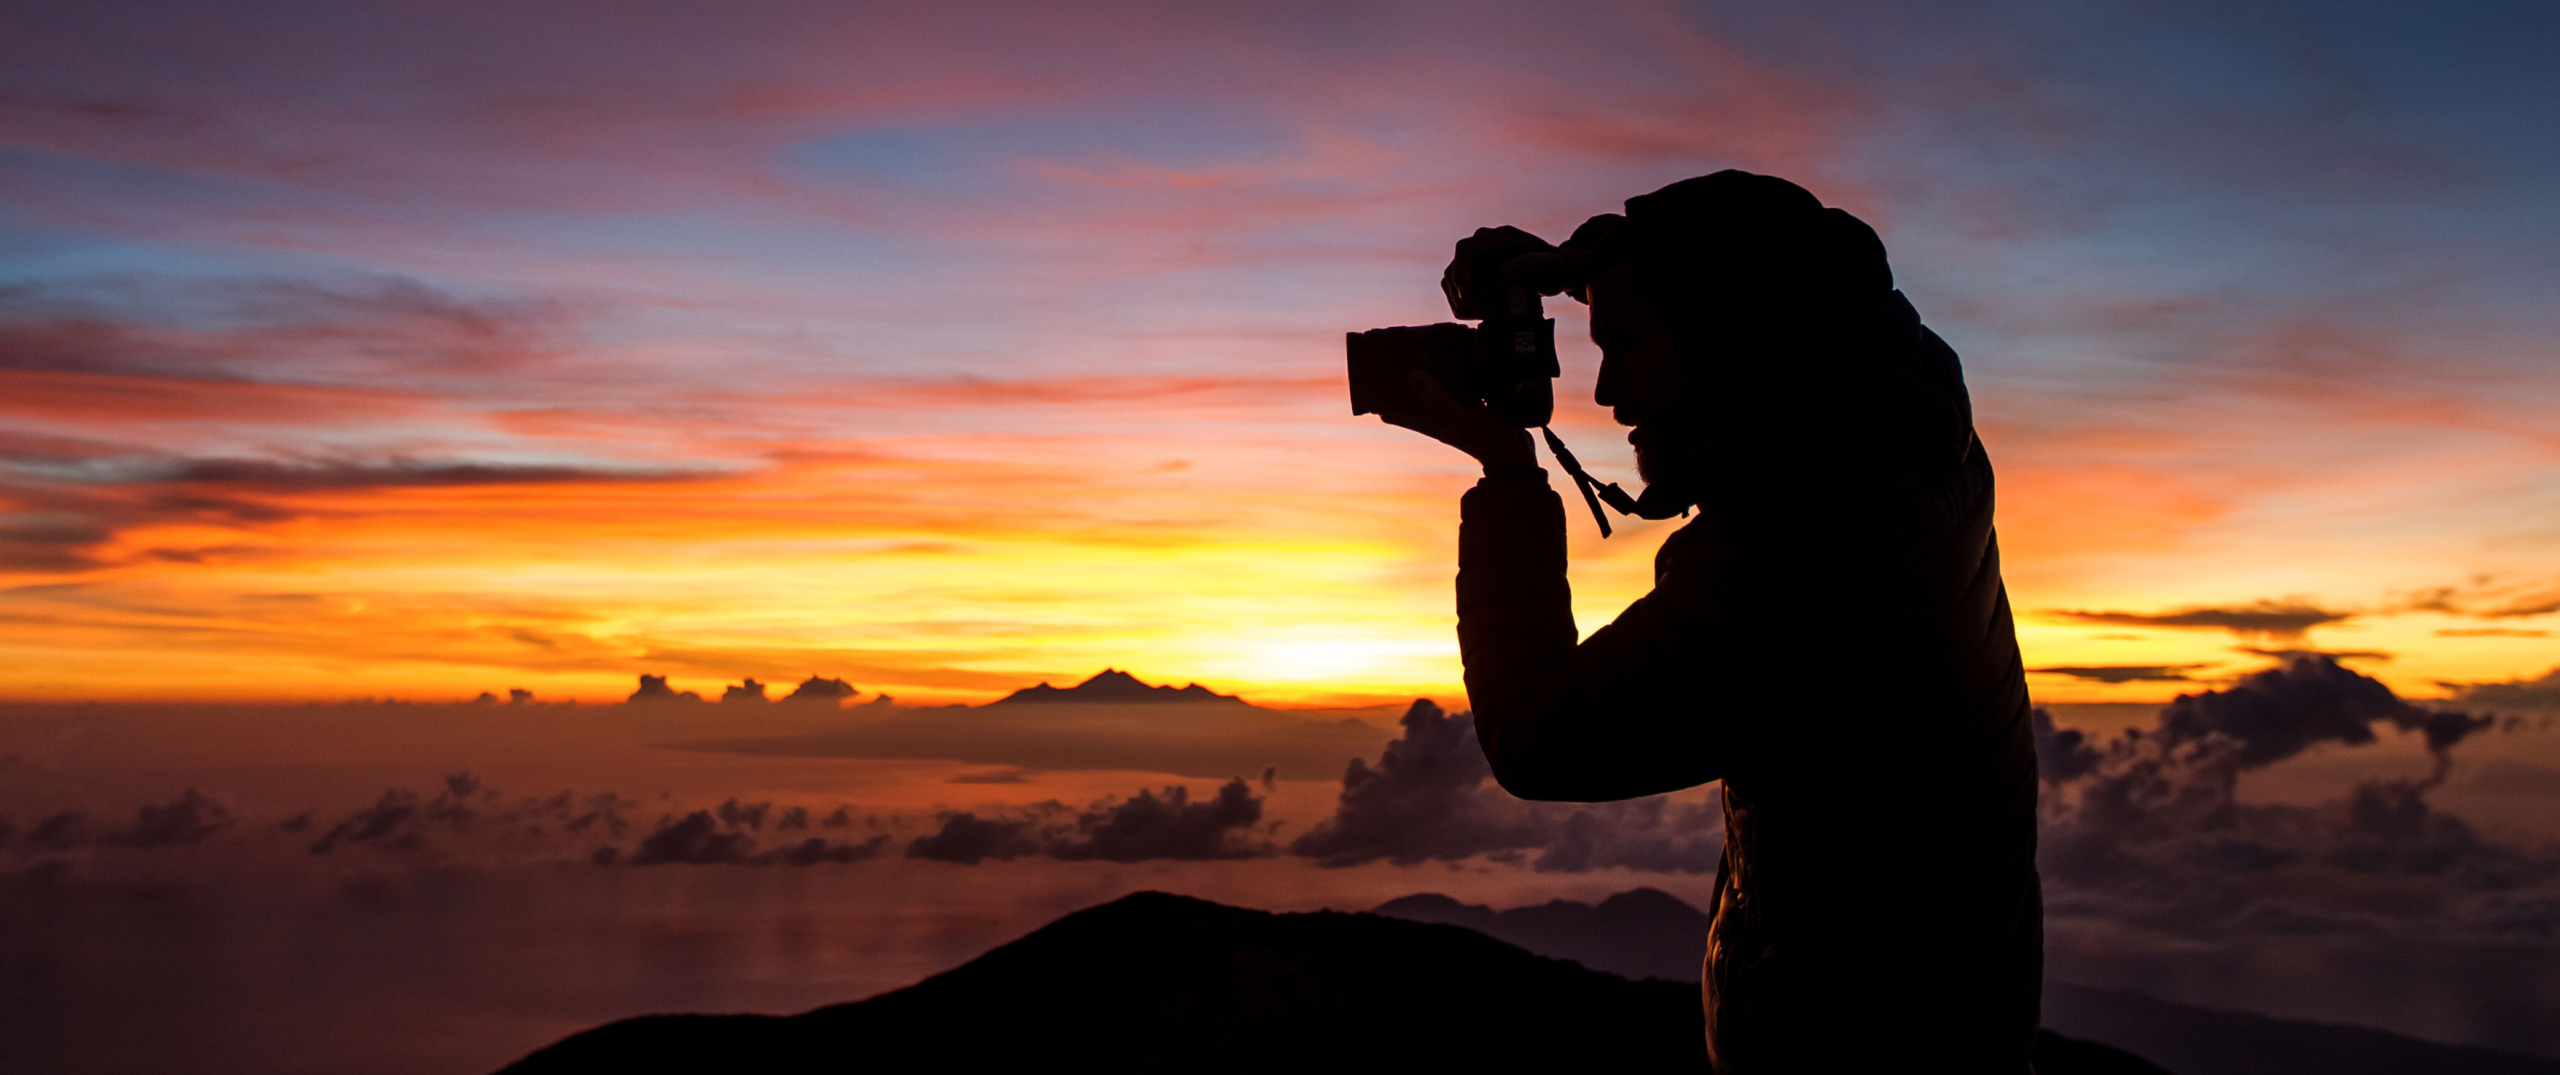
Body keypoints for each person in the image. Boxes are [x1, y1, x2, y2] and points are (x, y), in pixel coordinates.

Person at [1376, 170, 2042, 1073]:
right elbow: (1764, 269)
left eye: (1624, 342)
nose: (1606, 391)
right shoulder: (1904, 445)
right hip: (1955, 1025)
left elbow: (1539, 736)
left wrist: (1507, 477)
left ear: (1726, 345)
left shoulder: (1791, 563)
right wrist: (1584, 266)